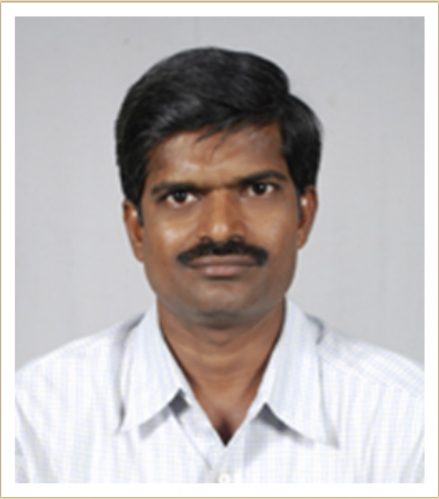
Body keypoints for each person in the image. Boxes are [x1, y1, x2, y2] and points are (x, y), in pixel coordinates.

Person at [15, 47, 423, 483]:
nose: (221, 228)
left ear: (303, 216)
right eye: (181, 196)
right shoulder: (32, 420)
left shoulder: (410, 419)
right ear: (137, 229)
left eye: (258, 189)